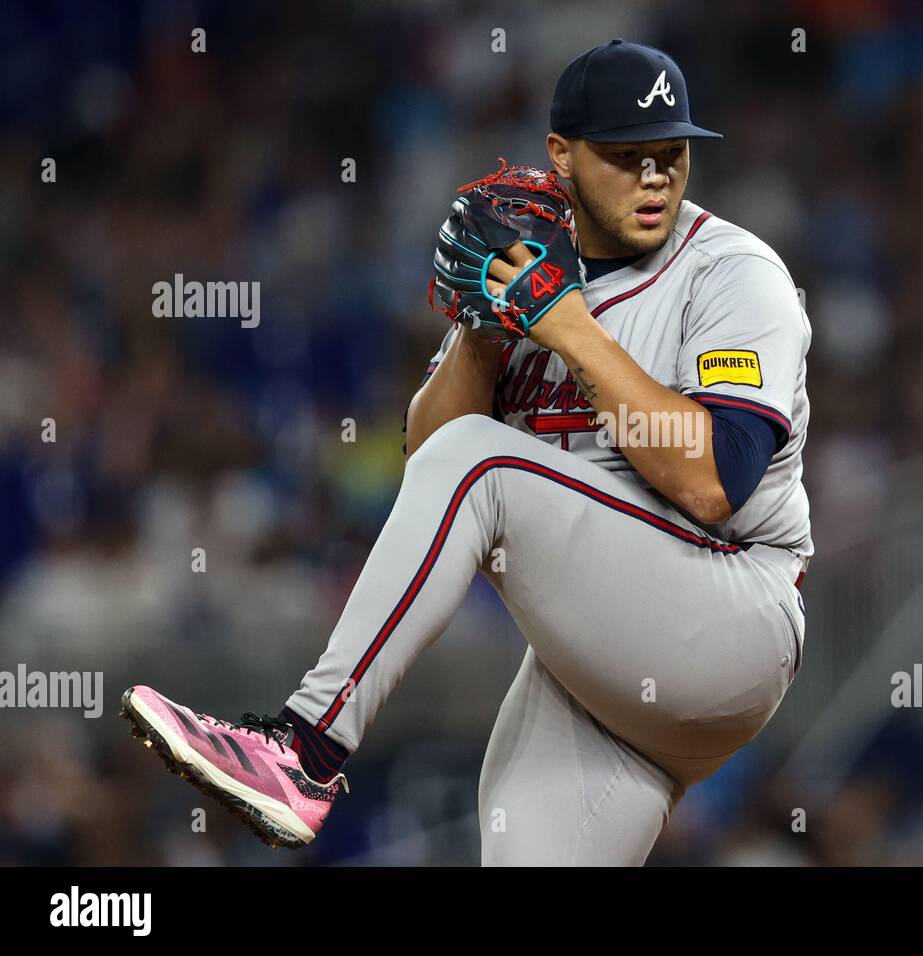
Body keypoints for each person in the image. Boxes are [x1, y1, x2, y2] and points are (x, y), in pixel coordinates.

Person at [122, 39, 813, 866]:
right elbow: (429, 464)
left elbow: (711, 484)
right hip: (607, 682)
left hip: (731, 614)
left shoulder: (733, 273)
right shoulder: (531, 263)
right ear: (562, 156)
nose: (655, 177)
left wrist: (562, 326)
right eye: (627, 157)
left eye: (671, 154)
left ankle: (304, 752)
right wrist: (485, 335)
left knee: (484, 463)